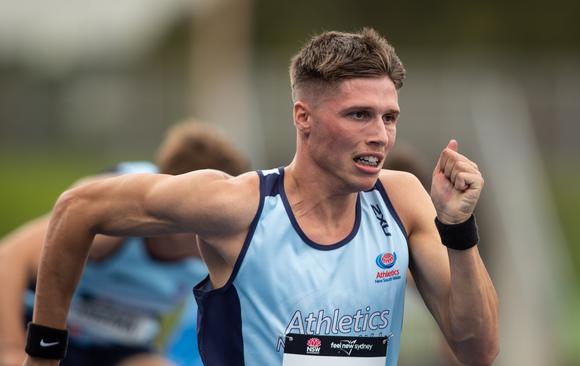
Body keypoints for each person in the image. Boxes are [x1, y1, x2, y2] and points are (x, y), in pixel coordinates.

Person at [23, 28, 499, 366]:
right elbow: (76, 209)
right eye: (359, 115)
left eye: (389, 118)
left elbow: (479, 350)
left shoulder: (402, 199)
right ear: (303, 117)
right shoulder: (238, 206)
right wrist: (44, 353)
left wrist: (458, 229)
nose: (380, 136)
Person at [0, 120, 249, 366]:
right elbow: (9, 258)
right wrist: (10, 350)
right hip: (40, 328)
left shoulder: (226, 244)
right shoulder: (118, 214)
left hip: (118, 347)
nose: (223, 230)